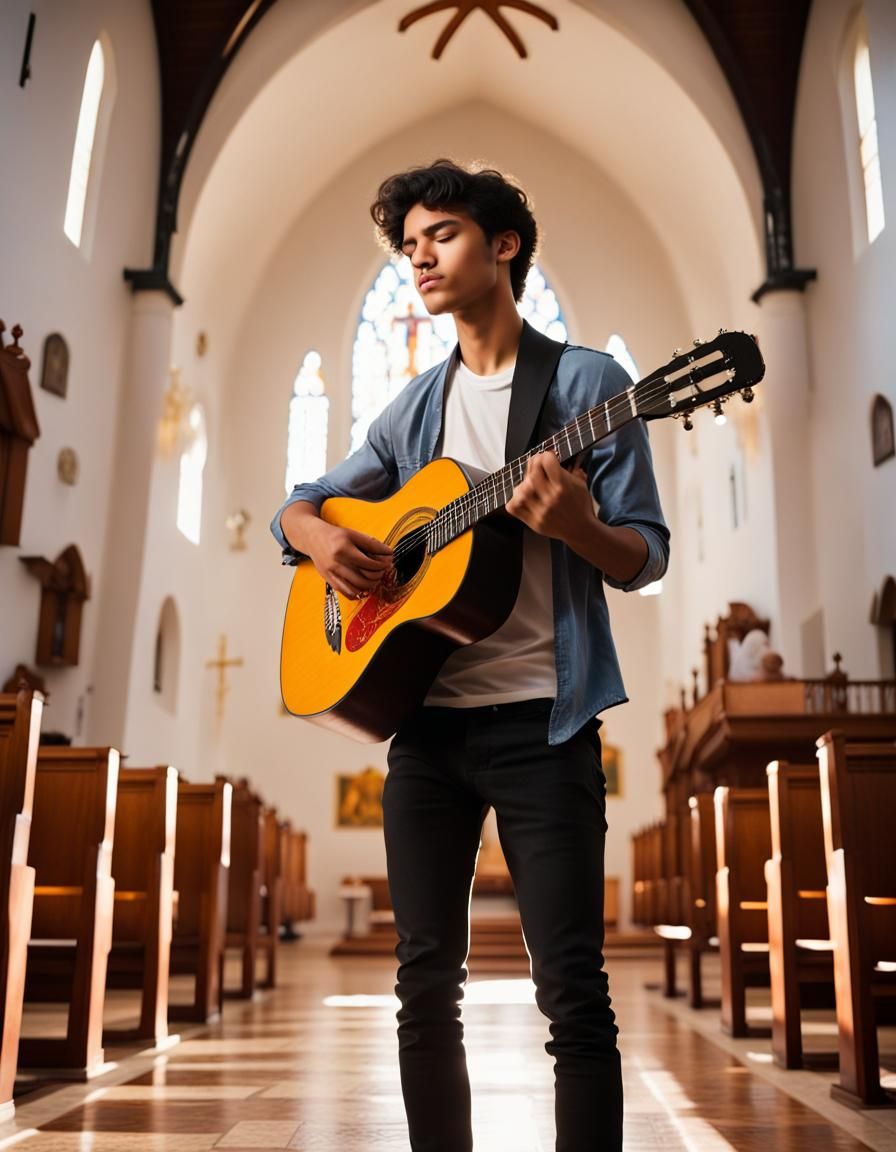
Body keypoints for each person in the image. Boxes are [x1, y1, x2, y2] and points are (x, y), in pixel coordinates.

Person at [271, 159, 669, 1152]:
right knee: (422, 987)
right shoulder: (412, 411)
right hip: (427, 735)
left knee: (570, 989)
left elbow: (643, 555)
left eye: (439, 235)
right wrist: (318, 539)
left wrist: (576, 524)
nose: (418, 259)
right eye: (407, 246)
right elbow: (302, 505)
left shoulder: (588, 387)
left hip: (546, 720)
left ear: (503, 246)